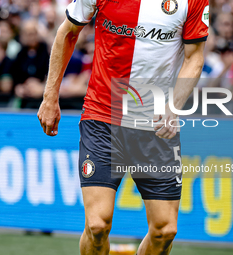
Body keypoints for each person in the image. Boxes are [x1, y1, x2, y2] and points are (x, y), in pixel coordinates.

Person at [38, 1, 209, 255]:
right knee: (97, 224)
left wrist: (173, 107)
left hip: (154, 124)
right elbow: (67, 32)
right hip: (102, 117)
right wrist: (50, 97)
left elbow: (195, 57)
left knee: (165, 230)